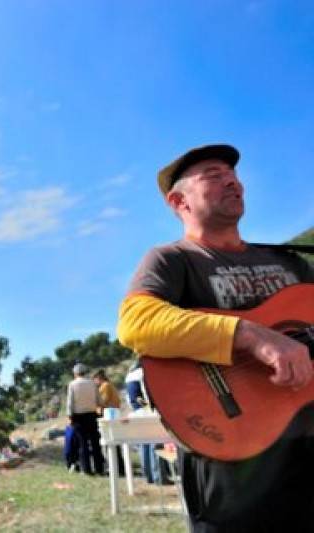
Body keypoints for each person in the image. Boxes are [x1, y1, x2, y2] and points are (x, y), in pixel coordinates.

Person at [117, 144, 314, 532]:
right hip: (228, 461)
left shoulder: (291, 262)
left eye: (233, 174)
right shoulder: (172, 260)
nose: (231, 180)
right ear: (179, 201)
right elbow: (136, 323)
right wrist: (251, 336)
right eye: (212, 175)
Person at [66, 362, 105, 475]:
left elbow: (70, 403)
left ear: (75, 374)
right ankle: (99, 468)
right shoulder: (92, 383)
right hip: (92, 415)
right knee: (95, 443)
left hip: (79, 417)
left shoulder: (72, 384)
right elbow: (100, 401)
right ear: (85, 372)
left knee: (83, 444)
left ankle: (87, 469)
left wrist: (70, 417)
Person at [93, 369, 124, 474]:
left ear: (99, 379)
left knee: (110, 442)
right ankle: (117, 466)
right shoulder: (109, 385)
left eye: (95, 380)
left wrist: (94, 407)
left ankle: (115, 467)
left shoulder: (105, 386)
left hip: (109, 416)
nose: (94, 382)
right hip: (113, 414)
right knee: (114, 442)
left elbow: (103, 402)